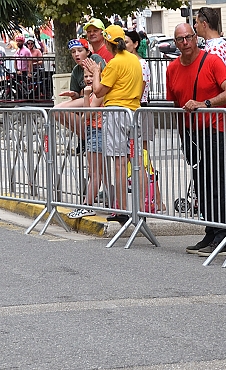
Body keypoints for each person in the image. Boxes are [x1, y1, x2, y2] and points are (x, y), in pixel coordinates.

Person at [166, 23, 226, 256]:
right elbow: (176, 105)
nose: (185, 42)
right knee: (202, 185)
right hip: (192, 134)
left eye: (189, 37)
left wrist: (205, 104)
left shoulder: (212, 61)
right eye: (180, 39)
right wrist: (182, 137)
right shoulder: (172, 69)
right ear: (175, 44)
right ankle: (211, 231)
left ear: (196, 38)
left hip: (217, 130)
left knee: (219, 183)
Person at [82, 24, 143, 224]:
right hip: (133, 112)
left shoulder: (116, 63)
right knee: (132, 162)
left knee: (118, 163)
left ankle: (122, 209)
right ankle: (138, 208)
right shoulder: (134, 59)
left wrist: (96, 71)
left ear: (108, 42)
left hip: (117, 113)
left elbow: (99, 91)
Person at [124, 29, 164, 213]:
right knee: (134, 157)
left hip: (140, 110)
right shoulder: (126, 62)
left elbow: (141, 89)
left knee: (144, 156)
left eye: (126, 42)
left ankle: (156, 198)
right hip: (130, 112)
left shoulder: (141, 63)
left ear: (135, 44)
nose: (123, 45)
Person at [67, 67, 106, 220]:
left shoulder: (97, 93)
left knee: (95, 172)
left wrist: (86, 96)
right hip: (92, 131)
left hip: (98, 131)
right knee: (94, 171)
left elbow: (88, 114)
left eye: (92, 75)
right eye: (86, 76)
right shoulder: (92, 94)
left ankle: (87, 205)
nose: (88, 79)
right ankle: (89, 203)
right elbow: (84, 117)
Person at [195, 7, 226, 108]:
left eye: (196, 22)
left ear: (204, 24)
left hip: (220, 106)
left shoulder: (213, 50)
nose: (195, 26)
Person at [59, 39, 105, 104]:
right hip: (87, 99)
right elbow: (76, 93)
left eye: (80, 50)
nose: (76, 54)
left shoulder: (94, 59)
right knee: (61, 110)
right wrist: (73, 94)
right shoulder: (75, 71)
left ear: (88, 52)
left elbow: (106, 79)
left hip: (101, 96)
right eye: (73, 52)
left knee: (61, 107)